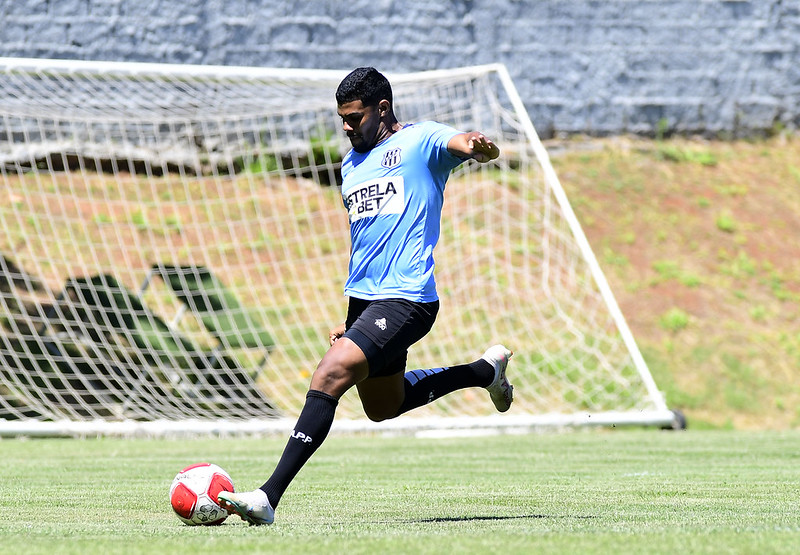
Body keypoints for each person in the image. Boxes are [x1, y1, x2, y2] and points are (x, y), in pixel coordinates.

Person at [218, 67, 513, 525]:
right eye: (341, 118)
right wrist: (352, 319)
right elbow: (368, 245)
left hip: (409, 298)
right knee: (382, 407)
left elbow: (461, 142)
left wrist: (476, 145)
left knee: (331, 373)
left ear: (382, 109)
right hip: (365, 301)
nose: (346, 126)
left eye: (354, 117)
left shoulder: (420, 142)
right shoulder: (350, 166)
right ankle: (484, 371)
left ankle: (267, 497)